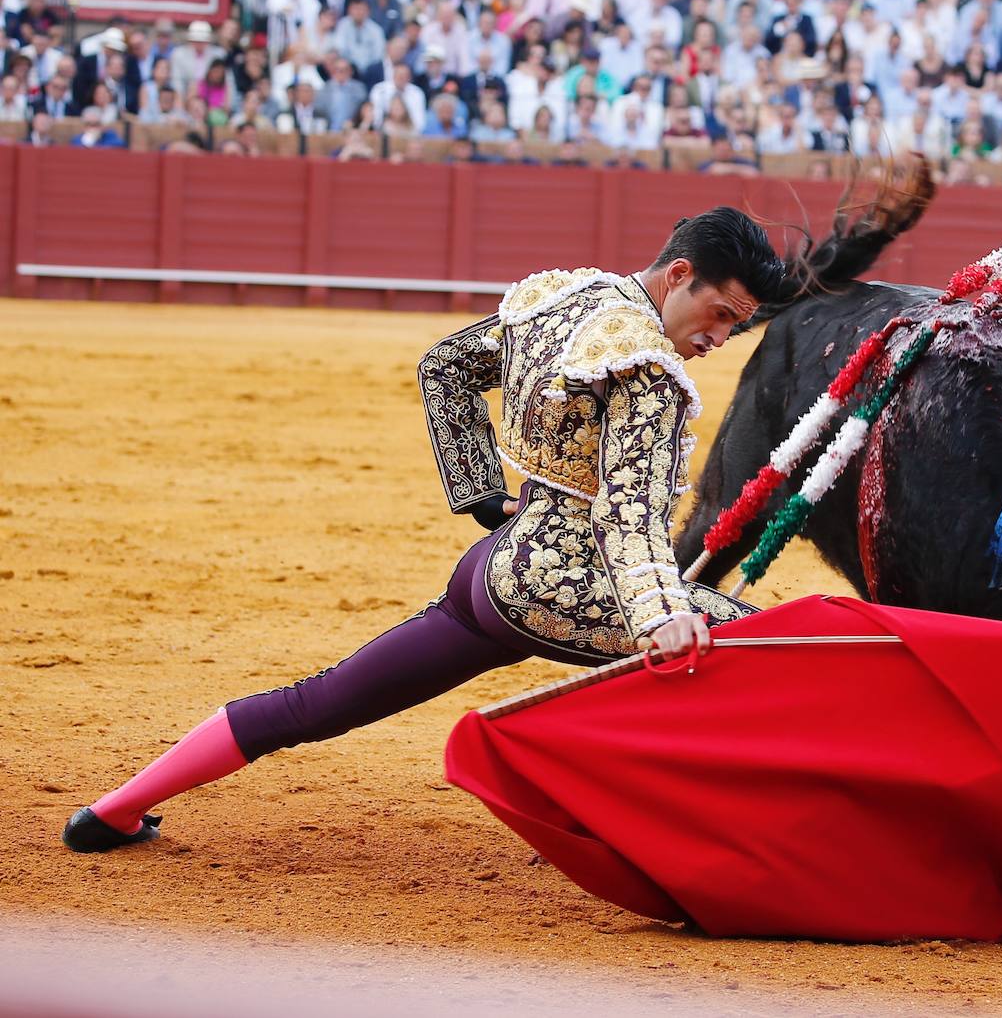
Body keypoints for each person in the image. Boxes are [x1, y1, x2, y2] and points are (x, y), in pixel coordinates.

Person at [62, 205, 849, 853]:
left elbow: (447, 367)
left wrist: (480, 494)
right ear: (679, 275)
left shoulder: (566, 302)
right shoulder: (647, 371)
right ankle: (762, 845)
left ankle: (114, 811)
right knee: (772, 652)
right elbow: (630, 516)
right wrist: (661, 617)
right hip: (564, 582)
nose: (716, 340)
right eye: (717, 315)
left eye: (734, 328)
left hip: (490, 570)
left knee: (321, 702)